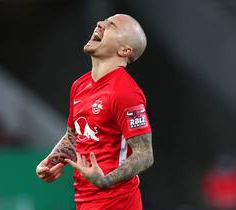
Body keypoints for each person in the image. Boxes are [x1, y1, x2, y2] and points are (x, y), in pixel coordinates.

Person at [36, 13, 154, 210]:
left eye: (111, 25)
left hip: (117, 202)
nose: (99, 24)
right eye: (103, 21)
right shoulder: (79, 85)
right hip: (85, 200)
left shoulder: (126, 92)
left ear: (125, 50)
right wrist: (50, 162)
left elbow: (145, 154)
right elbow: (75, 136)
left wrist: (106, 180)